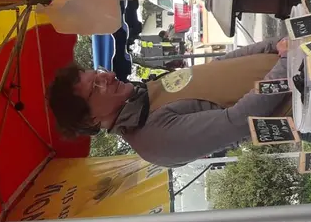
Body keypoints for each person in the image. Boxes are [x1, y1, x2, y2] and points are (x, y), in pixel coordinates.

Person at [46, 37, 293, 167]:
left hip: (293, 64)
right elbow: (239, 122)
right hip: (301, 98)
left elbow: (219, 65)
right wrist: (284, 63)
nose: (109, 76)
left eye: (99, 72)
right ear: (90, 119)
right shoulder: (152, 139)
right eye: (96, 86)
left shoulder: (146, 94)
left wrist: (274, 45)